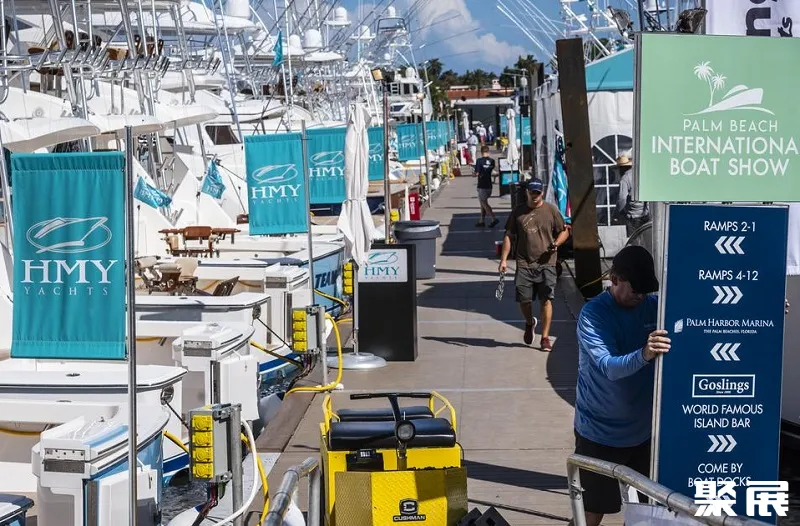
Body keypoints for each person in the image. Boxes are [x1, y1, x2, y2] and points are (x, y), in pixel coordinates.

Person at [570, 245, 669, 526]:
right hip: (600, 434)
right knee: (592, 514)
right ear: (614, 280)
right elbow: (610, 368)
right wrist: (645, 353)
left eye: (646, 291)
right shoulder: (594, 315)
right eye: (635, 290)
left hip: (644, 434)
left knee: (647, 515)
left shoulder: (654, 307)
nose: (641, 296)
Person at [499, 178, 569, 351]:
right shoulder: (518, 212)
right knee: (524, 301)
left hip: (547, 263)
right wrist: (504, 260)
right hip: (524, 263)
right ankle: (530, 322)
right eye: (532, 192)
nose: (535, 195)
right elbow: (509, 236)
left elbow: (564, 231)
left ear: (542, 192)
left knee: (546, 300)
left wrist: (556, 244)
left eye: (538, 192)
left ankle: (545, 338)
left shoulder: (551, 210)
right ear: (527, 192)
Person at [615, 153, 650, 237]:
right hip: (646, 214)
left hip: (633, 216)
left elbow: (622, 198)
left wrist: (618, 213)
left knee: (633, 240)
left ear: (621, 168)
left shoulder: (625, 178)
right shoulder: (641, 174)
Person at [473, 145, 498, 228]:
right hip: (489, 185)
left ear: (481, 152)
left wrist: (473, 174)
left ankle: (493, 218)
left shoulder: (479, 161)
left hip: (482, 185)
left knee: (484, 202)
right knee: (482, 203)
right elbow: (492, 171)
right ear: (488, 152)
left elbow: (477, 173)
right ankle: (482, 220)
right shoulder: (492, 161)